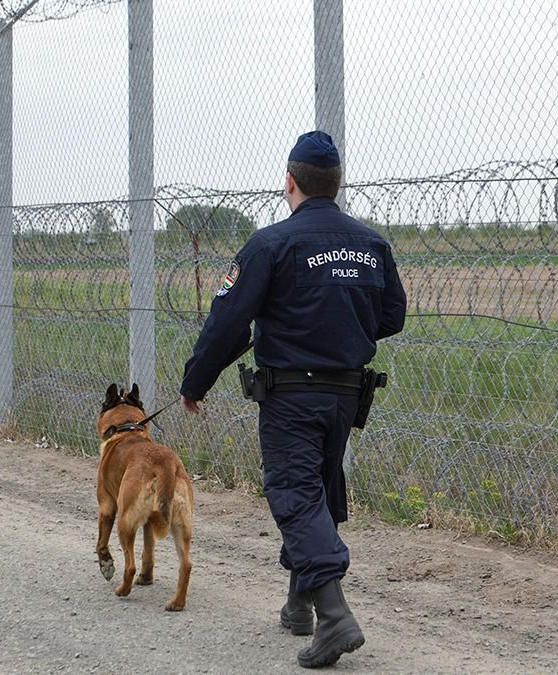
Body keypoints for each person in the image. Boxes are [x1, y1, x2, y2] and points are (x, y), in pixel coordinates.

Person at [179, 130, 407, 668]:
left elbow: (229, 321)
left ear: (290, 181)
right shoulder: (370, 244)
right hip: (346, 396)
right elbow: (392, 316)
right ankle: (297, 605)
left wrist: (195, 382)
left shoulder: (270, 244)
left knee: (292, 491)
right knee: (318, 490)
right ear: (337, 182)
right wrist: (342, 328)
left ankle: (334, 616)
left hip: (292, 397)